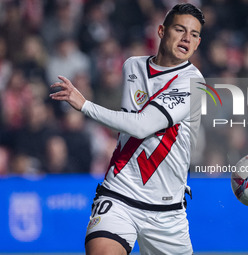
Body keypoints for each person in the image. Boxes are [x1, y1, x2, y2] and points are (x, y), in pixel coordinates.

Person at [50, 3, 205, 255]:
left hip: (167, 213)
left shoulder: (194, 83)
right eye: (180, 29)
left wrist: (86, 105)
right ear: (161, 31)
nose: (187, 38)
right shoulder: (132, 67)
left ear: (198, 43)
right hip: (119, 195)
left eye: (194, 34)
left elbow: (143, 125)